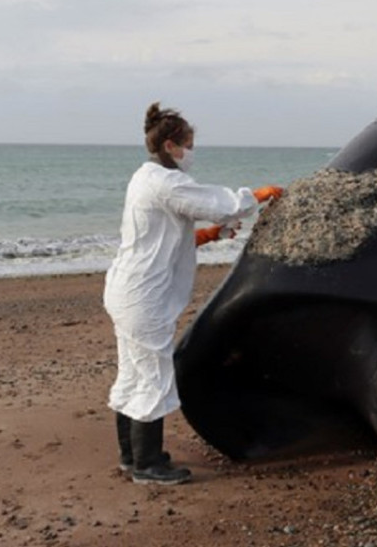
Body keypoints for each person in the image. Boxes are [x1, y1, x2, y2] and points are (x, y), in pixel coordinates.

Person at [104, 102, 283, 485]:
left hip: (126, 288)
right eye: (188, 143)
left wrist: (205, 236)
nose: (191, 151)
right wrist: (257, 195)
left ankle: (130, 455)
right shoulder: (167, 183)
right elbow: (218, 204)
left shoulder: (144, 177)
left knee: (134, 372)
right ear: (171, 145)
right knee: (152, 375)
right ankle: (148, 464)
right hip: (143, 297)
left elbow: (162, 234)